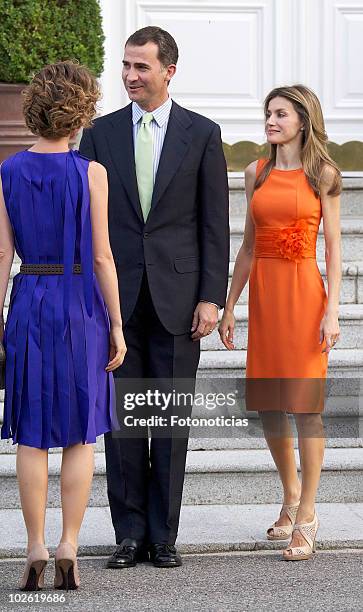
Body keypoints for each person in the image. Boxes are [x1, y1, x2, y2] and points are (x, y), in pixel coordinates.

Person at [80, 26, 230, 568]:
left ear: (169, 70)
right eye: (125, 65)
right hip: (114, 300)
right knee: (123, 424)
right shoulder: (99, 134)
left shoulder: (203, 134)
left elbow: (216, 223)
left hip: (178, 297)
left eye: (141, 67)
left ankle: (163, 536)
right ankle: (128, 535)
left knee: (167, 422)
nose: (129, 76)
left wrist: (212, 296)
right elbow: (87, 223)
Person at [0, 60, 126, 590]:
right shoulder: (90, 173)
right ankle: (68, 544)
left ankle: (32, 546)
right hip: (80, 304)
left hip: (30, 297)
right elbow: (101, 257)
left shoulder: (7, 172)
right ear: (81, 113)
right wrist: (117, 323)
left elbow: (1, 257)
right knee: (80, 433)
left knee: (31, 436)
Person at [219, 85, 341, 561]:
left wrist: (332, 310)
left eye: (280, 114)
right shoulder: (256, 172)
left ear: (302, 121)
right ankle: (290, 494)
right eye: (267, 113)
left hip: (306, 296)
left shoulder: (324, 175)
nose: (270, 121)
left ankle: (308, 514)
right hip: (266, 297)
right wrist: (230, 306)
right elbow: (248, 246)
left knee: (306, 406)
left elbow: (332, 245)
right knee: (270, 401)